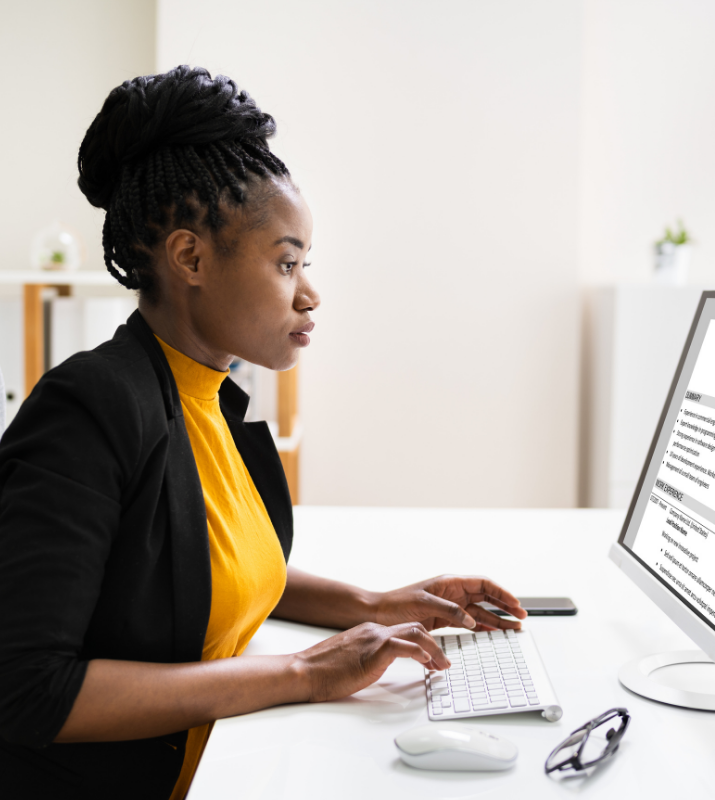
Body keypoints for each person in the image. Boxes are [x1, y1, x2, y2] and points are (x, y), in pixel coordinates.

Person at [0, 65, 526, 800]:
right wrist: (306, 673)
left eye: (306, 264)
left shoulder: (214, 402)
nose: (309, 292)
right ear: (190, 258)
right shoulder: (90, 409)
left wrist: (378, 605)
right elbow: (25, 689)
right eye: (286, 263)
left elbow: (205, 576)